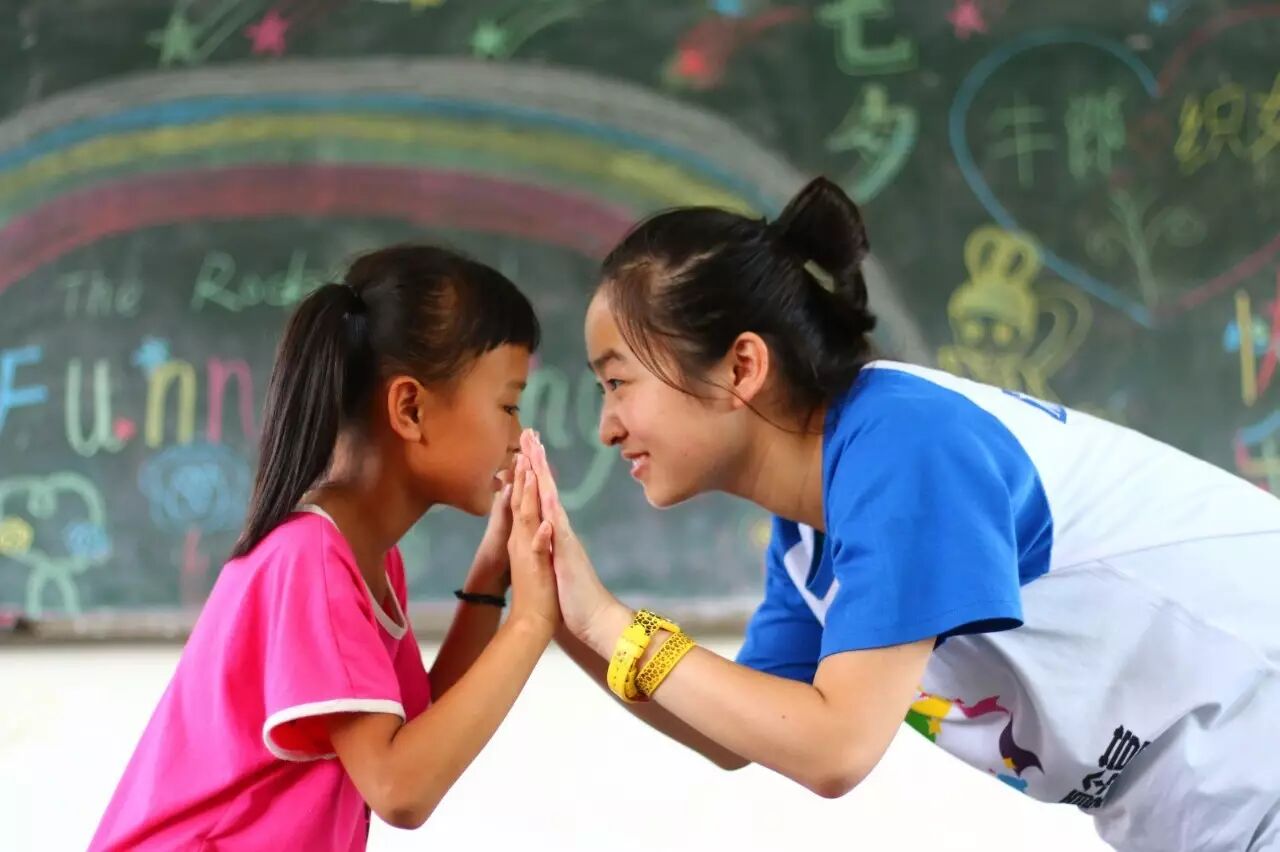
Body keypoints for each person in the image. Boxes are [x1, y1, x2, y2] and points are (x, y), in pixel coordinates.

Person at [524, 178, 1280, 852]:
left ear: (742, 367)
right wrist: (558, 616)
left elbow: (833, 747)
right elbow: (733, 733)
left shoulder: (905, 446)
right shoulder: (811, 530)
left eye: (618, 383)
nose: (607, 427)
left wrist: (609, 622)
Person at [91, 245, 558, 851]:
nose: (519, 435)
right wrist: (532, 621)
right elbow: (399, 789)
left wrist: (493, 574)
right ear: (410, 408)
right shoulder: (310, 559)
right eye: (508, 405)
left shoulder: (365, 556)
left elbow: (421, 734)